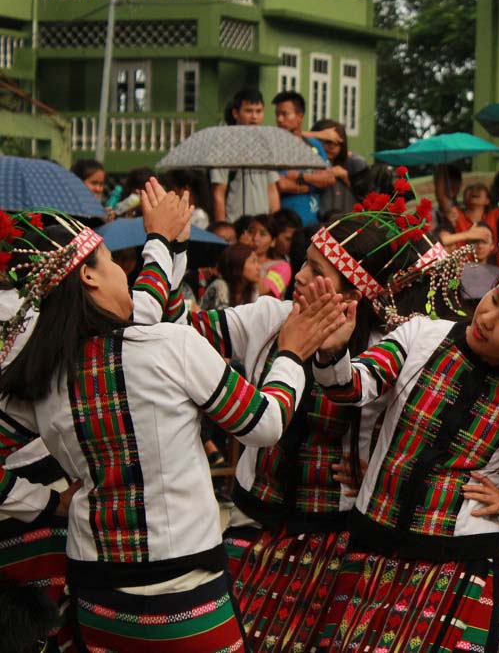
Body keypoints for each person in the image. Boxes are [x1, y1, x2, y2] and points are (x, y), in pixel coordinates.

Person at [0, 200, 345, 650]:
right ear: (88, 277)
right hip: (182, 583)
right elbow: (263, 423)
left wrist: (44, 501)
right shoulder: (168, 345)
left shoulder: (42, 374)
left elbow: (142, 306)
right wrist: (292, 354)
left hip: (95, 588)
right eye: (112, 262)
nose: (124, 273)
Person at [312, 257, 499, 652]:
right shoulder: (421, 334)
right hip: (374, 539)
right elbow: (355, 387)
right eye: (492, 300)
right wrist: (333, 355)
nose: (487, 319)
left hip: (459, 558)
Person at [206, 200, 443, 652]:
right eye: (304, 260)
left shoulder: (390, 347)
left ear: (352, 295)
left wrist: (379, 467)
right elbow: (184, 333)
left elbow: (428, 432)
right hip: (254, 519)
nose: (297, 275)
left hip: (336, 536)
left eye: (315, 269)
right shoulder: (272, 317)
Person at [210, 88, 281, 223]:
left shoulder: (266, 145)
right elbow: (218, 193)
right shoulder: (224, 144)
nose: (254, 116)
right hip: (235, 222)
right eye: (249, 111)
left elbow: (272, 189)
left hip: (262, 225)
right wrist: (223, 228)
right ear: (236, 113)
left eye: (258, 111)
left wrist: (274, 226)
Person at [273, 90, 336, 226]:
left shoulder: (314, 144)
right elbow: (281, 184)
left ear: (300, 116)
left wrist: (299, 176)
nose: (279, 119)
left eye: (284, 114)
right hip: (287, 224)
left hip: (315, 222)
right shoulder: (274, 147)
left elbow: (330, 178)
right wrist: (314, 183)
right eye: (277, 114)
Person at [311, 119, 370, 217]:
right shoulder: (307, 163)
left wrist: (346, 177)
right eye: (327, 141)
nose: (332, 147)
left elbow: (364, 196)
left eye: (338, 143)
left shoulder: (353, 164)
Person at [200, 244, 260, 310]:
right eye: (253, 262)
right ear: (238, 264)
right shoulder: (221, 285)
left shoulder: (252, 288)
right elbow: (224, 317)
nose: (258, 267)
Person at [246, 214, 292, 299]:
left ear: (273, 242)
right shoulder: (237, 259)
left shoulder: (283, 267)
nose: (255, 238)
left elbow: (261, 290)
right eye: (251, 232)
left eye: (263, 234)